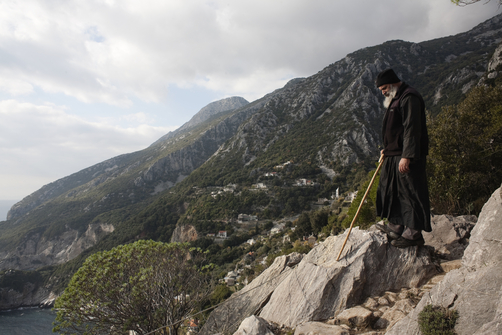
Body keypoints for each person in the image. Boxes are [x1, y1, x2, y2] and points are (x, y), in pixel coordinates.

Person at [374, 68, 431, 248]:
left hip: (406, 155)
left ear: (391, 83)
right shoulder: (396, 98)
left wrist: (407, 156)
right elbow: (396, 130)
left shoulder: (409, 97)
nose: (383, 92)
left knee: (410, 193)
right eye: (381, 89)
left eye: (384, 88)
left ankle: (413, 234)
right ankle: (396, 226)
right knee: (392, 190)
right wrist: (387, 149)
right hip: (394, 154)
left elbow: (411, 129)